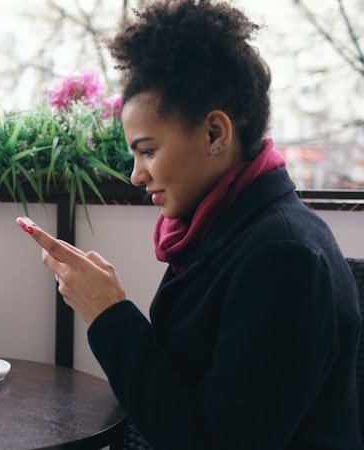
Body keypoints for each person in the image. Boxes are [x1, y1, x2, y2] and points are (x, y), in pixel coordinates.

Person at [20, 1, 362, 449]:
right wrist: (108, 305)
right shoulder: (225, 230)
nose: (136, 175)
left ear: (215, 133)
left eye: (147, 151)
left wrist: (109, 315)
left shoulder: (284, 256)